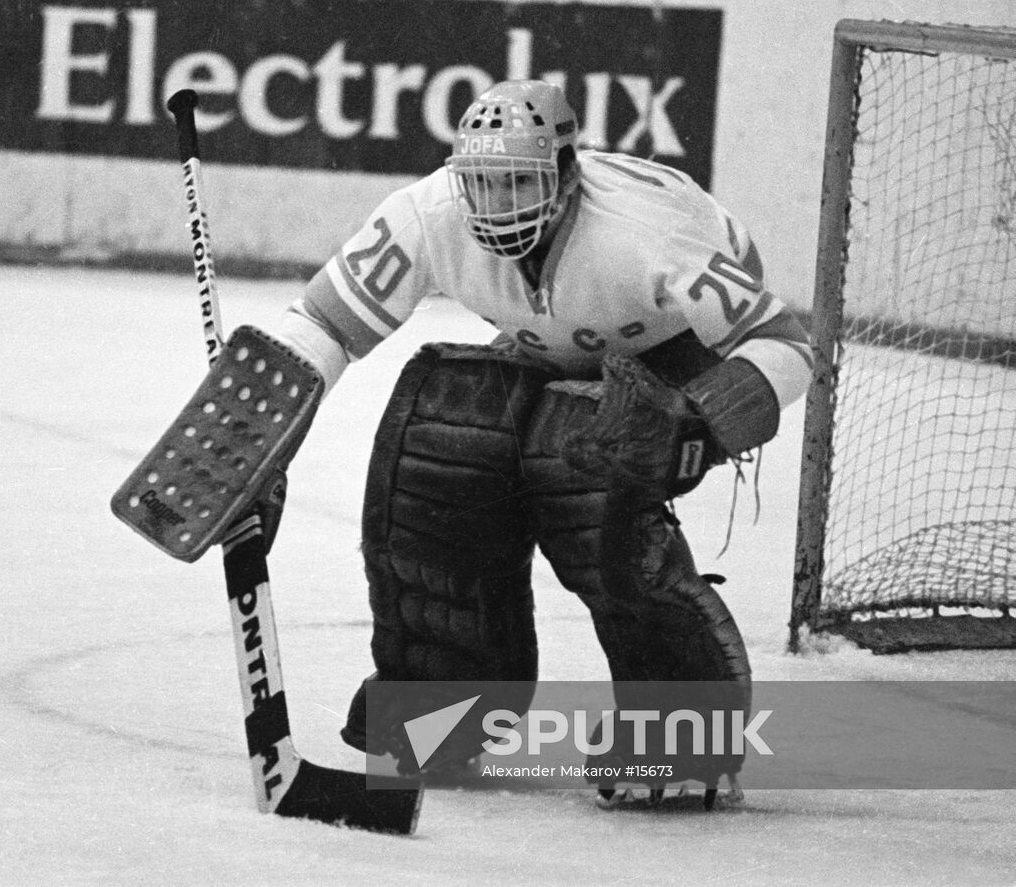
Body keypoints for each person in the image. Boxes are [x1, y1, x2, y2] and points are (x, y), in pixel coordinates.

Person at [271, 79, 811, 787]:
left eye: (518, 183)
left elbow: (787, 345)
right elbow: (320, 324)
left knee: (594, 489)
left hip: (677, 344)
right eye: (482, 185)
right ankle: (447, 702)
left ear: (566, 173)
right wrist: (259, 437)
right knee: (445, 442)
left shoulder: (649, 237)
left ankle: (683, 730)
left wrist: (698, 424)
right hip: (550, 339)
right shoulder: (426, 213)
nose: (496, 206)